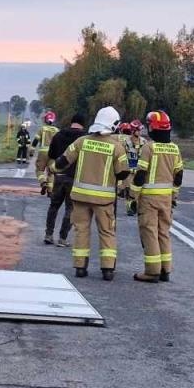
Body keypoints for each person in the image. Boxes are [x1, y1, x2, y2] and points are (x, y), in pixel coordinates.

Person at [55, 105, 125, 279]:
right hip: (105, 201)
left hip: (80, 197)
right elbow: (123, 172)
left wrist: (51, 169)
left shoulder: (81, 142)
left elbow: (62, 162)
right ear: (114, 125)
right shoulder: (116, 147)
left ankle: (80, 267)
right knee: (107, 232)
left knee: (81, 231)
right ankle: (108, 269)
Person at [129, 110, 184, 281]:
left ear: (152, 128)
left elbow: (140, 175)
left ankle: (152, 271)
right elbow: (179, 175)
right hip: (166, 199)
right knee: (164, 232)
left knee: (149, 232)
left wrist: (133, 197)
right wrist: (174, 196)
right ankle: (165, 270)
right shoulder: (175, 149)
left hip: (149, 199)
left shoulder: (149, 147)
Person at [43, 114, 85, 245]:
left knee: (54, 206)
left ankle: (48, 235)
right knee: (70, 209)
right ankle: (62, 238)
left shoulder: (59, 135)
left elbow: (51, 154)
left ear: (71, 122)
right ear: (82, 124)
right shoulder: (84, 138)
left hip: (59, 177)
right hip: (74, 178)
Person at [34, 110, 59, 195]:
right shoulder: (57, 130)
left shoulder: (42, 129)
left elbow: (36, 140)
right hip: (53, 153)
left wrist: (31, 150)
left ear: (45, 119)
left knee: (39, 170)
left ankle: (43, 182)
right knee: (51, 172)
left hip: (43, 153)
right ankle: (50, 191)